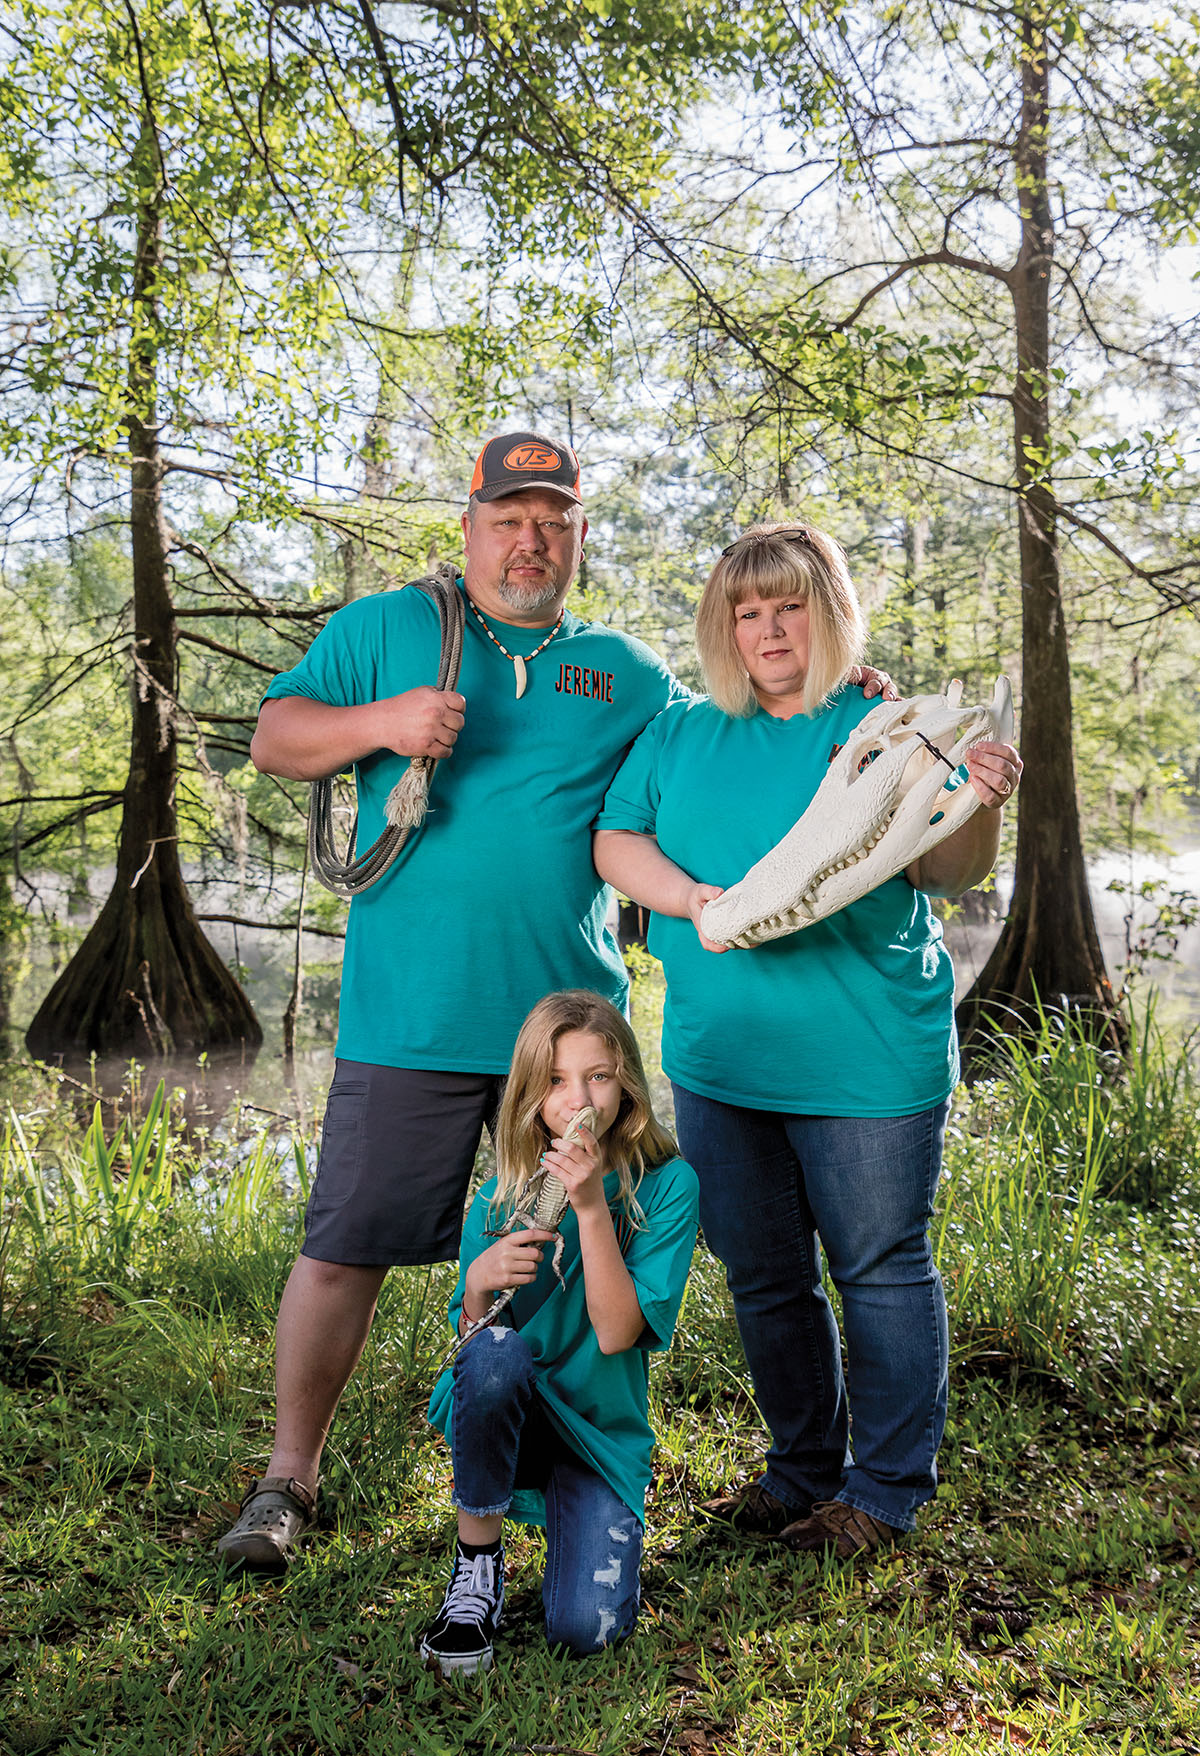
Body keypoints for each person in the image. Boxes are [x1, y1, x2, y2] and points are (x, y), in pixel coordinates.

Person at [218, 436, 890, 1568]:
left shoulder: (623, 673)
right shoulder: (389, 628)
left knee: (579, 1247)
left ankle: (566, 1464)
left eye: (553, 520)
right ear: (471, 524)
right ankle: (289, 1479)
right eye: (508, 517)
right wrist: (380, 726)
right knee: (347, 1245)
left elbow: (728, 729)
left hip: (569, 1039)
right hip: (413, 1015)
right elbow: (273, 738)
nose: (529, 540)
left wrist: (842, 686)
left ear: (579, 535)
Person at [593, 522, 1022, 1557]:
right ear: (723, 625)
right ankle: (801, 1471)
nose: (769, 627)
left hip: (865, 1059)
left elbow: (947, 873)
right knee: (762, 1272)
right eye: (748, 609)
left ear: (828, 615)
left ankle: (882, 1494)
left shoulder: (890, 725)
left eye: (790, 605)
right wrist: (694, 898)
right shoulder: (682, 732)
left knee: (877, 1267)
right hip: (721, 1059)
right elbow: (616, 840)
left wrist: (982, 799)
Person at [421, 989, 698, 1674]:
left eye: (597, 1077)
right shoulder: (502, 1194)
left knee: (583, 1630)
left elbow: (615, 1334)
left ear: (626, 1085)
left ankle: (582, 1536)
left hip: (598, 1436)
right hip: (516, 1409)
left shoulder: (668, 1187)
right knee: (496, 1354)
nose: (577, 1101)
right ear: (530, 1095)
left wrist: (590, 1205)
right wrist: (481, 1281)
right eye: (554, 1081)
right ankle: (477, 1570)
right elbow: (473, 1350)